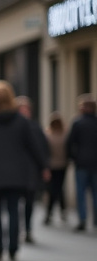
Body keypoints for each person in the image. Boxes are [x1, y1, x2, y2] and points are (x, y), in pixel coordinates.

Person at [0, 81, 48, 261]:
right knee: (14, 210)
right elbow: (34, 146)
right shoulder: (21, 120)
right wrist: (43, 166)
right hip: (16, 175)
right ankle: (13, 248)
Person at [15, 96, 48, 243]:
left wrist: (44, 167)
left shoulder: (35, 128)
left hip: (31, 172)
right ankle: (15, 229)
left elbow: (41, 149)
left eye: (26, 110)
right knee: (14, 203)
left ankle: (27, 229)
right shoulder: (12, 128)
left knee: (29, 203)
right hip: (15, 172)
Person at [66, 93, 97, 232]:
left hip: (82, 163)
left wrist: (73, 157)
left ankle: (83, 220)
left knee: (81, 193)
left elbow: (70, 143)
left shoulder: (78, 122)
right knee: (95, 193)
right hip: (94, 164)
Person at [44, 113, 69, 225]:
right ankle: (62, 210)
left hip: (52, 165)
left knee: (52, 189)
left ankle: (49, 213)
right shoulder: (65, 135)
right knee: (59, 188)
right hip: (62, 165)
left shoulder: (48, 136)